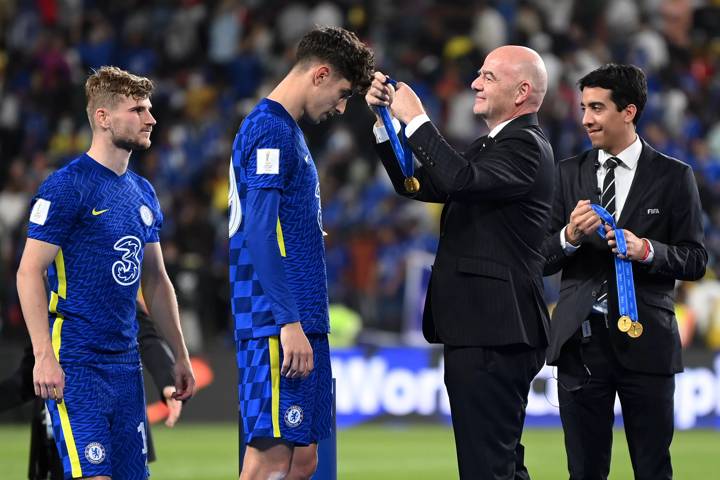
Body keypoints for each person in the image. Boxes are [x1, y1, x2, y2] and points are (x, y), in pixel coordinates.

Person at [366, 45, 553, 479]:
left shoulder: (525, 145)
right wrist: (387, 124)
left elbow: (458, 179)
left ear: (522, 91)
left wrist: (417, 118)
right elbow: (419, 183)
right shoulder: (494, 144)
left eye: (488, 77)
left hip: (495, 329)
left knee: (486, 467)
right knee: (496, 464)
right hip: (484, 327)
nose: (474, 83)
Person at [16, 66, 196, 480]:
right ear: (103, 118)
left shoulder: (142, 192)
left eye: (149, 109)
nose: (151, 118)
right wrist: (44, 356)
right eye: (138, 109)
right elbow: (29, 272)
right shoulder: (66, 186)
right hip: (77, 362)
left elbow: (156, 280)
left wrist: (179, 357)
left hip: (126, 365)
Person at [542, 64, 707, 480]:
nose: (585, 119)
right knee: (584, 470)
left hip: (646, 340)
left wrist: (646, 249)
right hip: (581, 345)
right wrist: (570, 235)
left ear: (628, 111)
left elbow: (695, 260)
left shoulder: (673, 177)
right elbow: (539, 257)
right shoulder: (566, 173)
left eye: (597, 108)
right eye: (583, 107)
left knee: (652, 468)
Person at [228, 26, 373, 480]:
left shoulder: (287, 133)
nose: (341, 106)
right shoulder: (269, 130)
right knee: (271, 456)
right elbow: (258, 232)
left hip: (303, 320)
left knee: (304, 458)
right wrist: (288, 321)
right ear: (321, 74)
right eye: (343, 92)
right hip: (278, 322)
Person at [0, 301, 183, 479]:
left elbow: (147, 338)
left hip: (116, 417)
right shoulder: (43, 305)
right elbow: (25, 380)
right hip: (59, 429)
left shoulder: (112, 287)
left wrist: (168, 382)